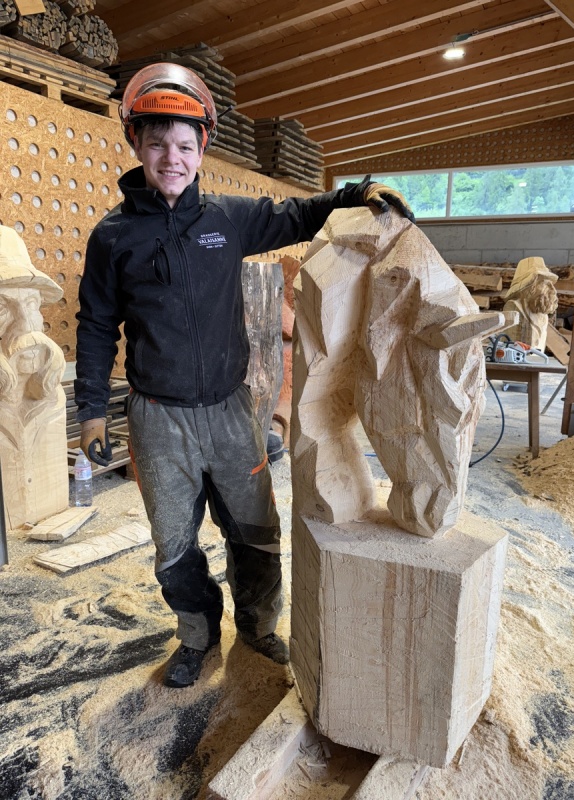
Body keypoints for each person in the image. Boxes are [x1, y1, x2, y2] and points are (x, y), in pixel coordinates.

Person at [75, 62, 414, 688]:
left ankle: (257, 626)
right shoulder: (113, 237)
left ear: (202, 148)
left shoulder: (226, 219)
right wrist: (93, 408)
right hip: (158, 418)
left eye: (185, 145)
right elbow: (96, 325)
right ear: (136, 143)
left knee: (256, 529)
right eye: (158, 143)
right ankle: (196, 635)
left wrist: (357, 192)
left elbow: (298, 214)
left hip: (231, 410)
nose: (172, 159)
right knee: (173, 542)